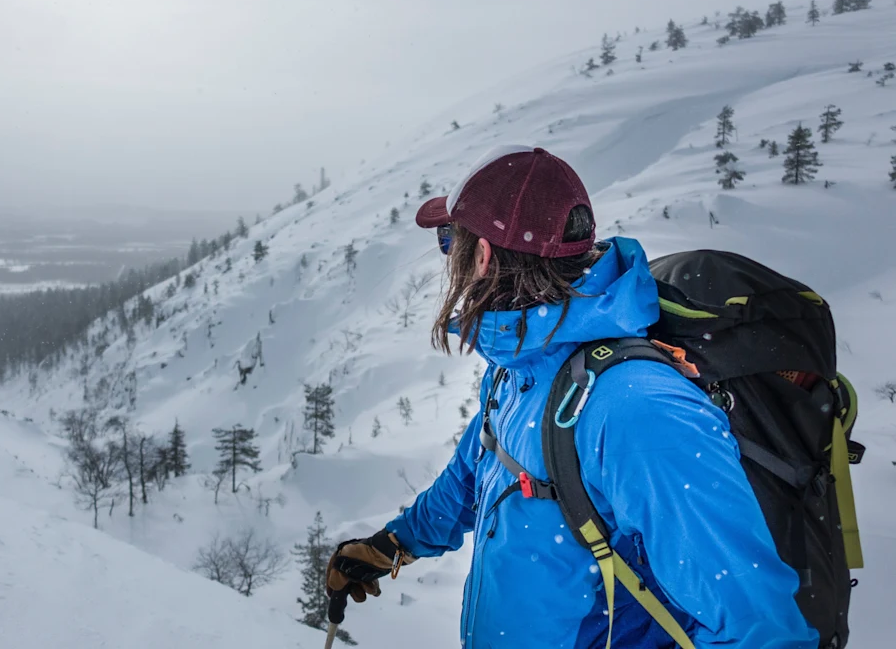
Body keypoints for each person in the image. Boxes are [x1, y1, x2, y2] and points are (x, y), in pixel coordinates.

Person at [325, 146, 818, 648]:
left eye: (450, 240)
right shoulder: (524, 369)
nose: (448, 256)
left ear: (483, 256)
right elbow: (475, 473)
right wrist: (392, 545)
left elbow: (760, 630)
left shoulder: (634, 409)